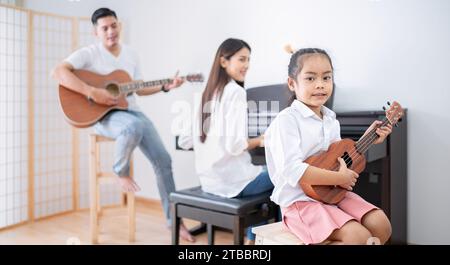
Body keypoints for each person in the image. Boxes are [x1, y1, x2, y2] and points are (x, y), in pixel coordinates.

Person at [52, 7, 194, 242]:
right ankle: (120, 170)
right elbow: (58, 71)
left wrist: (164, 86)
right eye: (104, 28)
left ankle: (174, 222)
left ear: (120, 26)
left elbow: (137, 88)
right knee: (132, 127)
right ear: (95, 32)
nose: (111, 31)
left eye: (114, 25)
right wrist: (92, 92)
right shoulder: (89, 53)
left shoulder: (131, 54)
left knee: (164, 161)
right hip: (103, 117)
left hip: (132, 113)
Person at [264, 47, 392, 245]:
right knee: (359, 237)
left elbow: (337, 159)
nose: (320, 85)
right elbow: (292, 170)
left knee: (381, 224)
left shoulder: (331, 120)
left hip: (331, 193)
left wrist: (367, 139)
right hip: (299, 201)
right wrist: (339, 177)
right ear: (292, 83)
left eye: (326, 78)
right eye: (310, 78)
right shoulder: (286, 120)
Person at [178, 38, 273, 244]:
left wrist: (213, 143)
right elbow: (236, 145)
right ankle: (255, 240)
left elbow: (186, 140)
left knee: (267, 172)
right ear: (223, 62)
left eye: (248, 60)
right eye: (241, 59)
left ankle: (254, 237)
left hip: (209, 182)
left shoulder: (207, 92)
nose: (246, 65)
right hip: (232, 183)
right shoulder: (236, 92)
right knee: (282, 175)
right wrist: (260, 140)